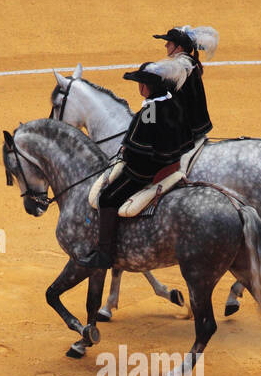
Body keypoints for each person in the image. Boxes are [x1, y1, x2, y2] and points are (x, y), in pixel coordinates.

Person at [77, 61, 194, 269]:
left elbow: (143, 144)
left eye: (142, 83)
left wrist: (126, 152)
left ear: (149, 86)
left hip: (145, 171)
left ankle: (104, 254)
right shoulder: (172, 102)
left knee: (106, 198)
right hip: (172, 163)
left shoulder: (150, 110)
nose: (139, 87)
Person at [152, 25, 218, 145]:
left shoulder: (181, 67)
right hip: (195, 125)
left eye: (169, 43)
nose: (165, 45)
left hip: (185, 129)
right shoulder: (189, 63)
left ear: (179, 47)